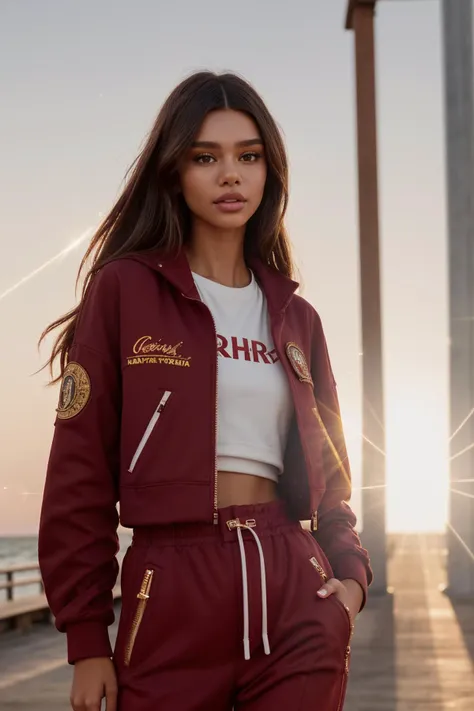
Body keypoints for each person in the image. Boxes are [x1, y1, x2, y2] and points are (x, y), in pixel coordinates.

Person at [37, 70, 372, 711]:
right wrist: (87, 641)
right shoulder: (125, 291)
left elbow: (332, 474)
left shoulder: (296, 319)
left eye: (248, 156)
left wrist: (350, 579)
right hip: (171, 587)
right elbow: (78, 470)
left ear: (269, 172)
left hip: (292, 586)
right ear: (174, 171)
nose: (230, 175)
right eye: (205, 157)